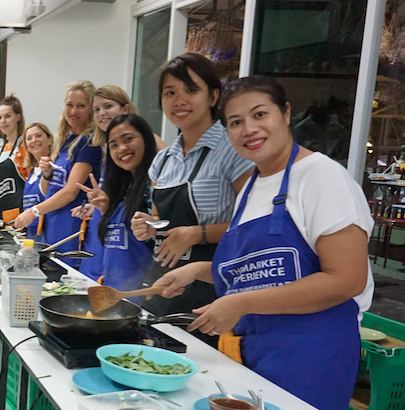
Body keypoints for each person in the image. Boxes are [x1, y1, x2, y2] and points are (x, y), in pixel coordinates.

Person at [157, 76, 372, 410]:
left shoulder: (320, 177)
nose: (248, 129)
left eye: (260, 114)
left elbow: (346, 279)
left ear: (285, 113)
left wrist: (241, 303)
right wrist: (196, 271)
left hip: (313, 352)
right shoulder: (254, 185)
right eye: (235, 121)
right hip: (261, 348)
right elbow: (255, 267)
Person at [130, 53, 253, 316]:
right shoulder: (163, 161)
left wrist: (196, 234)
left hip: (212, 291)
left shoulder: (234, 150)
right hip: (162, 285)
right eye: (170, 92)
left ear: (213, 96)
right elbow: (160, 220)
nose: (179, 100)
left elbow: (252, 225)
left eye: (191, 90)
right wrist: (147, 227)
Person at [77, 86, 166, 280]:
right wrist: (103, 207)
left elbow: (166, 224)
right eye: (96, 110)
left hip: (142, 290)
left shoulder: (157, 173)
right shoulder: (120, 176)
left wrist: (154, 228)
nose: (101, 114)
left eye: (108, 106)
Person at [13, 79, 101, 266]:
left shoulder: (88, 143)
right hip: (52, 228)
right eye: (69, 105)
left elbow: (70, 192)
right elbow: (50, 188)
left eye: (81, 106)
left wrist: (34, 211)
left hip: (71, 230)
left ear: (91, 109)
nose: (73, 111)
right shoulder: (67, 140)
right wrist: (47, 173)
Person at [19, 122, 54, 240]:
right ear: (27, 147)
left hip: (48, 234)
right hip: (32, 235)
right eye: (29, 138)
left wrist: (47, 173)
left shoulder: (54, 167)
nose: (34, 140)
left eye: (38, 136)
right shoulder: (32, 171)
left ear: (49, 139)